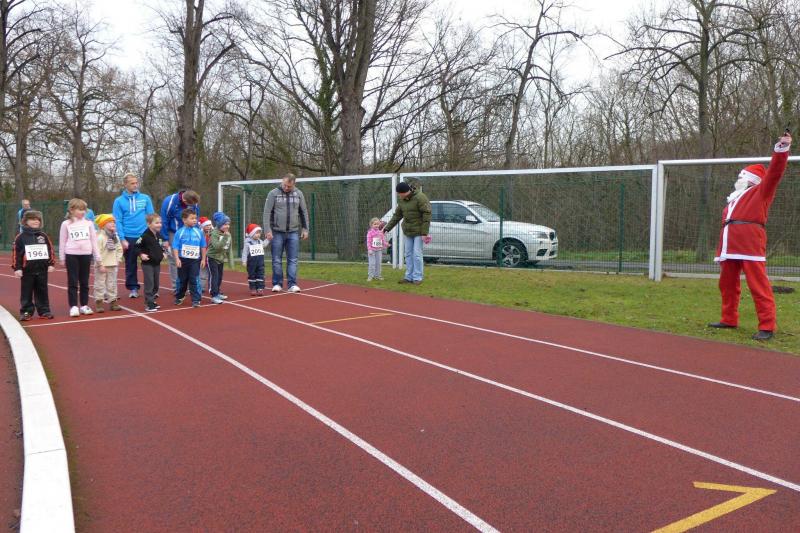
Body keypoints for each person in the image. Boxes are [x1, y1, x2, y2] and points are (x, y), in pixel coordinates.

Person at [709, 132, 793, 341]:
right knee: (727, 284)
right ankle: (729, 318)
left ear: (751, 179)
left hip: (750, 245)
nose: (738, 180)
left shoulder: (761, 191)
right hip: (729, 245)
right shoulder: (733, 199)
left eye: (742, 177)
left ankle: (767, 325)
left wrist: (782, 149)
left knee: (758, 285)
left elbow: (775, 172)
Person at [263, 173, 309, 293]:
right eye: (285, 185)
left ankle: (292, 284)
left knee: (293, 259)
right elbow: (267, 213)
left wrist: (305, 229)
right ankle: (277, 283)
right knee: (276, 259)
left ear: (294, 184)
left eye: (289, 186)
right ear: (282, 181)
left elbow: (303, 212)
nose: (286, 188)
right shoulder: (273, 193)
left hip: (293, 232)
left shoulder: (299, 194)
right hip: (276, 232)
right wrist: (267, 230)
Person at [112, 173, 155, 298]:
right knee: (130, 263)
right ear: (125, 184)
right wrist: (122, 238)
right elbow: (118, 220)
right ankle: (133, 288)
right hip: (128, 236)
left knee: (150, 261)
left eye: (136, 183)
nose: (135, 185)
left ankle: (152, 288)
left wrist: (152, 234)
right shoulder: (119, 201)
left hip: (144, 235)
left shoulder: (145, 198)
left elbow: (151, 216)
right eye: (132, 183)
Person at [383, 182, 432, 285]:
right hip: (408, 231)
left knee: (417, 254)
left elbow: (427, 215)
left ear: (405, 192)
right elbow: (397, 216)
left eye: (399, 193)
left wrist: (424, 233)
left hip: (419, 231)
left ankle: (417, 277)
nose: (399, 195)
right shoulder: (402, 200)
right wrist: (387, 228)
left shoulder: (420, 198)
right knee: (408, 254)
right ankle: (408, 277)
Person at [60, 198, 101, 317]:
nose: (82, 212)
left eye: (84, 210)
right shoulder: (66, 224)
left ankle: (84, 305)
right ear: (72, 210)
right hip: (71, 255)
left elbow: (94, 241)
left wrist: (97, 257)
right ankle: (73, 306)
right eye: (79, 209)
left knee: (84, 281)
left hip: (86, 255)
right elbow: (62, 241)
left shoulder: (89, 223)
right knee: (73, 281)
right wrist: (62, 257)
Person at [12, 210, 55, 321]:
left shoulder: (43, 236)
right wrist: (17, 268)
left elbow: (50, 250)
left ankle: (44, 311)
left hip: (42, 269)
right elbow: (16, 254)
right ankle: (26, 312)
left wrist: (51, 263)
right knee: (26, 292)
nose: (36, 221)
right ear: (25, 221)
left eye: (38, 219)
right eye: (32, 219)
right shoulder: (20, 237)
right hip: (27, 270)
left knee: (42, 291)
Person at [160, 189, 200, 292]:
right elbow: (164, 220)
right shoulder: (169, 201)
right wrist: (165, 239)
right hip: (174, 232)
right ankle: (177, 287)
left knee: (190, 259)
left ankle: (190, 285)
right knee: (174, 260)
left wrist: (197, 233)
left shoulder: (194, 202)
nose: (193, 206)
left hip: (189, 232)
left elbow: (196, 218)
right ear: (185, 201)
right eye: (190, 205)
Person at [171, 208, 207, 308]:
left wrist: (203, 259)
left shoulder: (199, 232)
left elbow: (203, 246)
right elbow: (175, 247)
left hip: (195, 260)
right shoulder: (179, 232)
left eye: (195, 218)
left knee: (194, 279)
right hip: (182, 260)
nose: (195, 220)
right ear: (184, 220)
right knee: (182, 280)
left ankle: (196, 299)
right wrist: (177, 259)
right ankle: (180, 296)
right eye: (192, 218)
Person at [93, 214, 124, 313]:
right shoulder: (100, 237)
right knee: (100, 284)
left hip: (113, 264)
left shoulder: (115, 236)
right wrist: (100, 264)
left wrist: (118, 259)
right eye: (110, 222)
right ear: (103, 225)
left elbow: (119, 248)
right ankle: (99, 302)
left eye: (114, 222)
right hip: (102, 265)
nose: (113, 223)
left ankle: (113, 301)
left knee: (112, 284)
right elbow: (97, 252)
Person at [137, 214, 166, 312]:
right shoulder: (144, 236)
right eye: (157, 223)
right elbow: (136, 247)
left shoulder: (159, 235)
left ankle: (151, 300)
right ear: (149, 224)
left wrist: (163, 252)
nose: (159, 225)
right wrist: (141, 254)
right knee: (149, 283)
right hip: (148, 264)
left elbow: (160, 246)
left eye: (160, 222)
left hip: (157, 263)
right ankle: (149, 303)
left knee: (156, 284)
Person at [207, 211, 232, 304]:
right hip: (212, 257)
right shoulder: (214, 234)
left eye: (228, 224)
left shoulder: (227, 234)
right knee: (214, 276)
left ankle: (217, 292)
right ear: (219, 224)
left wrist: (230, 261)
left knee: (220, 277)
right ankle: (214, 295)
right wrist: (225, 237)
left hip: (220, 258)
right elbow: (217, 246)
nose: (227, 226)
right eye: (225, 224)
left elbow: (228, 247)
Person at [242, 223, 266, 296]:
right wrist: (244, 261)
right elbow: (245, 252)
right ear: (251, 233)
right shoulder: (247, 243)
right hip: (251, 263)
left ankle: (260, 288)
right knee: (252, 275)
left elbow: (264, 244)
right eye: (256, 233)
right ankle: (253, 288)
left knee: (260, 274)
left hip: (260, 262)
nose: (258, 235)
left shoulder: (260, 241)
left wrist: (268, 239)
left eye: (259, 233)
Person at [198, 216, 213, 294]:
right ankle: (201, 287)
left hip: (211, 257)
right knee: (202, 273)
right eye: (206, 225)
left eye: (209, 225)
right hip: (202, 256)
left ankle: (212, 288)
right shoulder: (200, 234)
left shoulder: (213, 233)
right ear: (202, 226)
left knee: (211, 273)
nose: (208, 227)